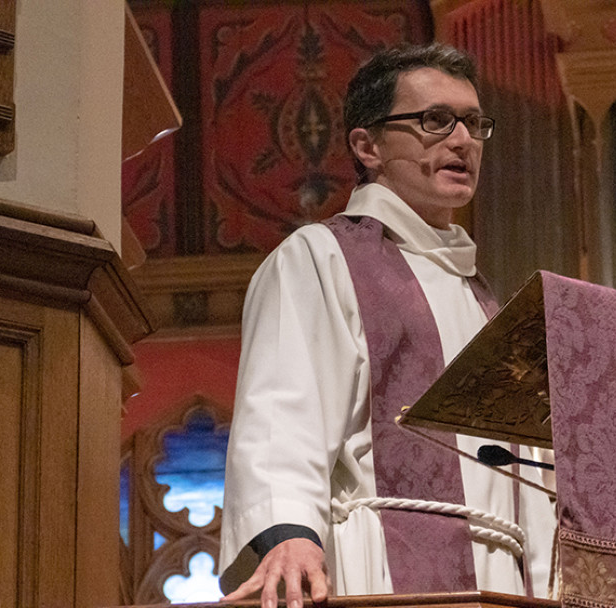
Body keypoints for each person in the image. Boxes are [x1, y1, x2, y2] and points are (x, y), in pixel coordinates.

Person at [218, 43, 556, 608]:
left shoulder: (482, 297)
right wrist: (290, 534)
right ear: (367, 146)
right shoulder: (323, 255)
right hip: (378, 564)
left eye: (473, 123)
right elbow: (282, 410)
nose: (462, 140)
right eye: (435, 120)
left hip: (500, 579)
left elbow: (525, 475)